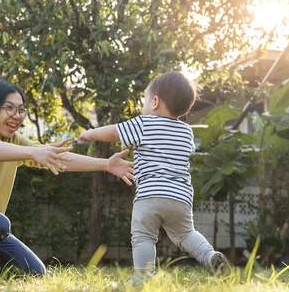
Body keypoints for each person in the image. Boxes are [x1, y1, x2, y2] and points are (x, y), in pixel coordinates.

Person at [0, 79, 134, 278]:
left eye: (21, 110)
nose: (17, 115)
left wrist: (105, 164)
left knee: (34, 272)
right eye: (9, 108)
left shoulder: (14, 141)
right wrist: (31, 153)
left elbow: (57, 157)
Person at [79, 71, 228, 280]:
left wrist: (90, 133)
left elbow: (114, 132)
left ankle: (143, 277)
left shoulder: (144, 124)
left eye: (145, 100)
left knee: (143, 237)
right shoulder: (187, 132)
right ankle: (209, 255)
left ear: (155, 101)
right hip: (181, 198)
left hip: (150, 194)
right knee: (186, 234)